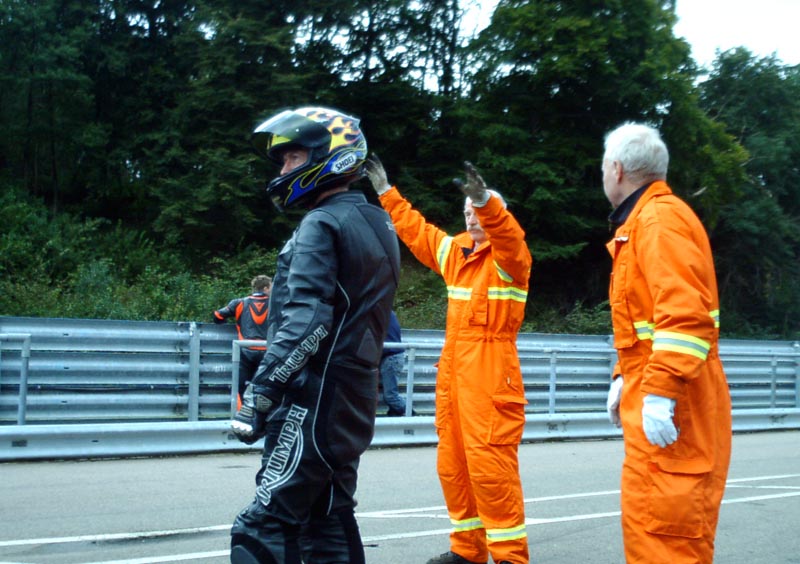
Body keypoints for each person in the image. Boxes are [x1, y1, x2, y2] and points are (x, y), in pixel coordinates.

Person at [229, 106, 400, 564]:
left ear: (328, 155)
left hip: (316, 397)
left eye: (293, 157)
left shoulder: (321, 223)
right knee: (327, 521)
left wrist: (261, 391)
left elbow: (308, 322)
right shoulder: (378, 221)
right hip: (354, 395)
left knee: (260, 529)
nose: (283, 168)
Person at [365, 156, 532, 564]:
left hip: (490, 377)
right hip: (456, 376)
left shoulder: (509, 258)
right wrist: (387, 193)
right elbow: (418, 231)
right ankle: (468, 550)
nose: (472, 217)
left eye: (478, 211)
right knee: (454, 468)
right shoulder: (456, 253)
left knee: (491, 469)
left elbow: (508, 235)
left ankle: (509, 556)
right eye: (467, 211)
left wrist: (487, 202)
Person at [602, 123, 732, 563]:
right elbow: (646, 323)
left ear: (617, 170)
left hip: (679, 401)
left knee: (668, 537)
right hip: (664, 390)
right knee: (652, 528)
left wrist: (659, 390)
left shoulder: (657, 222)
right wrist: (624, 375)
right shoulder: (648, 221)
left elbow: (686, 318)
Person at [213, 275, 272, 404]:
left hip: (245, 350)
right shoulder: (275, 304)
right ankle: (262, 414)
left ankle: (241, 414)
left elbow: (217, 316)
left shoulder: (239, 303)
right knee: (267, 388)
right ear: (266, 288)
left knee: (241, 388)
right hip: (267, 351)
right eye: (270, 287)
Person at [380, 310, 408, 416]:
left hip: (391, 357)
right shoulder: (387, 312)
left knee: (391, 396)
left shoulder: (380, 312)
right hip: (393, 356)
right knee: (390, 397)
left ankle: (412, 415)